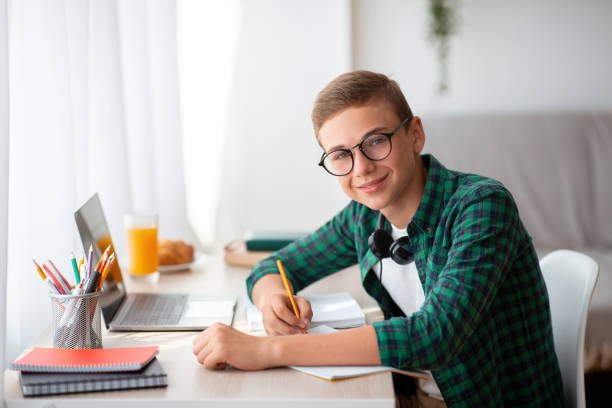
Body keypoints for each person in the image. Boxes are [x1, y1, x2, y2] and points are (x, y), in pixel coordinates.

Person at [193, 70, 563, 407]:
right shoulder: (364, 216)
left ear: (414, 134)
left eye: (375, 141)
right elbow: (272, 268)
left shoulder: (481, 205)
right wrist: (274, 299)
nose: (362, 168)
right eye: (341, 155)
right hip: (412, 390)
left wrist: (269, 350)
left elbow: (435, 336)